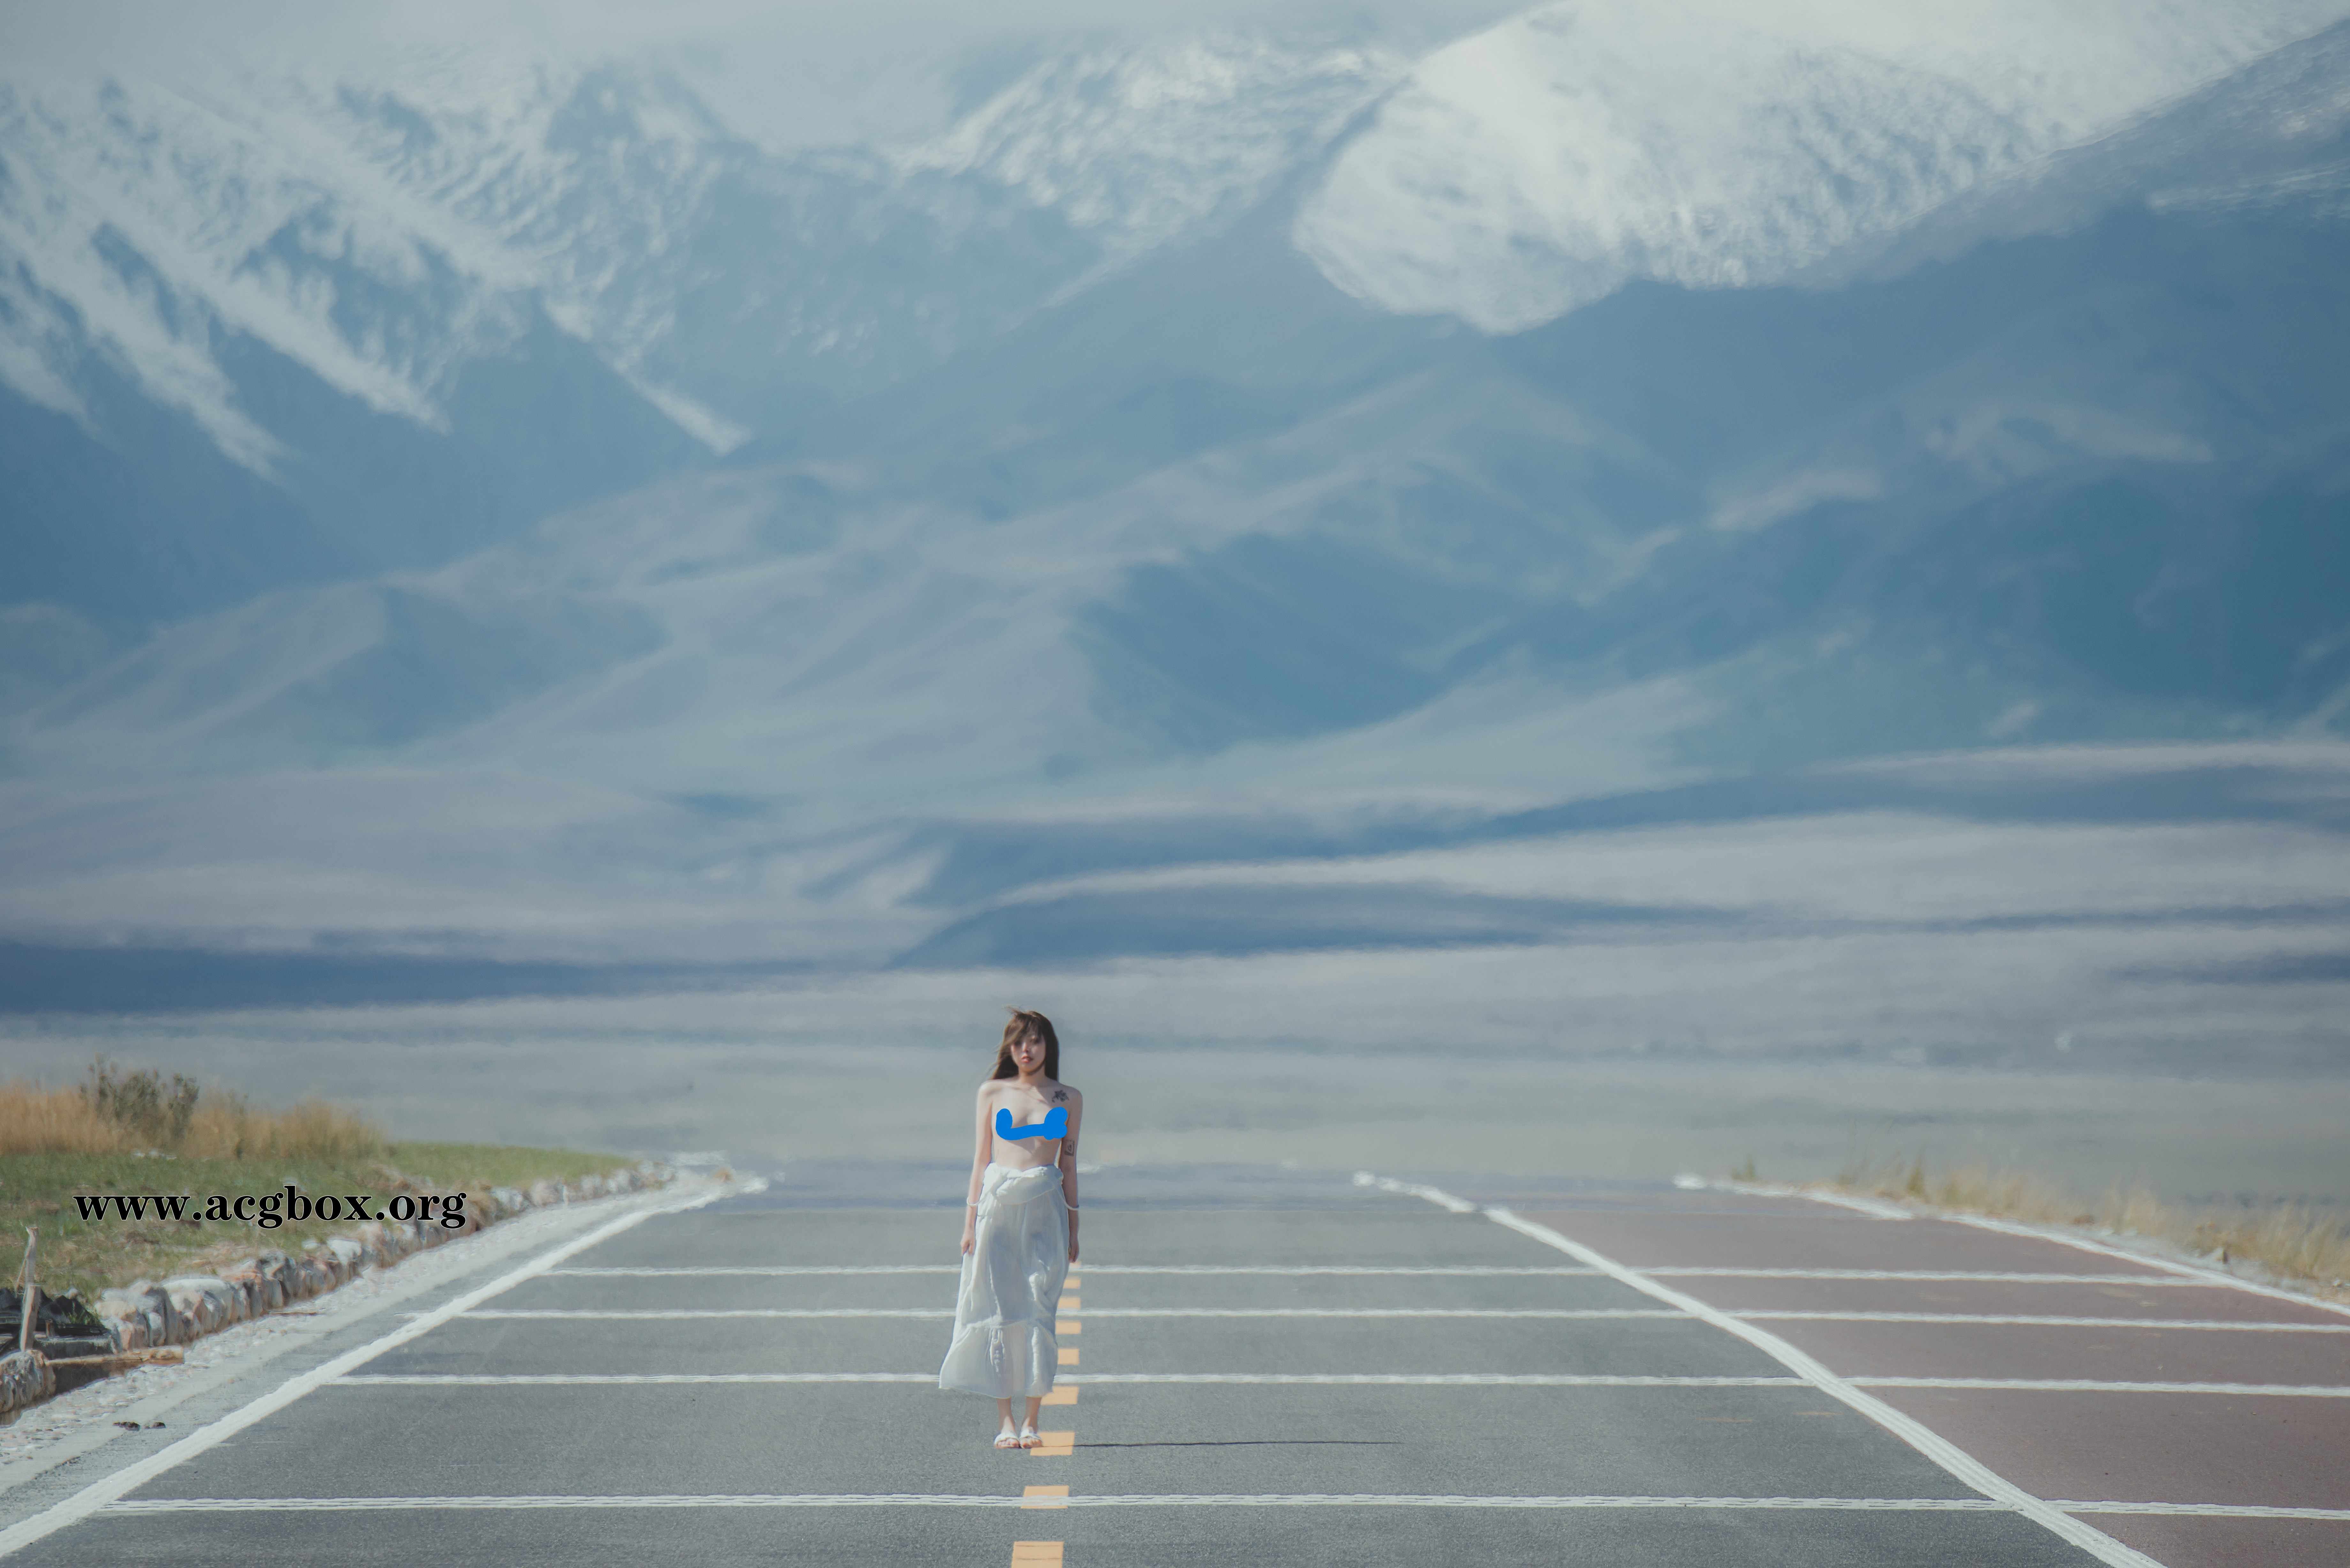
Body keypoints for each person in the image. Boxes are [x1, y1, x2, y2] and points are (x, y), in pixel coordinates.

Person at [938, 1008, 1083, 1449]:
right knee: (1000, 1309)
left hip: (1045, 1209)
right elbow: (981, 1161)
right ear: (1010, 1047)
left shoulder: (1067, 1098)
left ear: (1047, 1047)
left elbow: (1070, 1163)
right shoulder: (992, 1092)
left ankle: (1032, 1421)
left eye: (1035, 1041)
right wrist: (969, 1223)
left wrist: (1074, 1228)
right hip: (997, 1208)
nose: (1027, 1049)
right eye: (1019, 1042)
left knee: (1040, 1307)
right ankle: (1005, 1421)